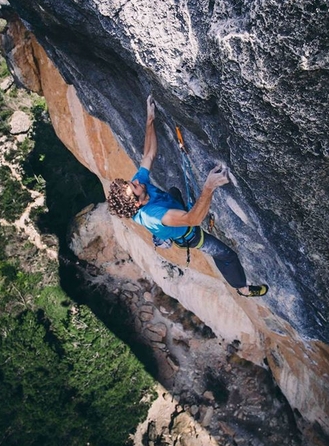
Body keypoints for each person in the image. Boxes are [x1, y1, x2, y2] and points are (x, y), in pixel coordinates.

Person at [107, 96, 268, 298]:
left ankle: (164, 235)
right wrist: (209, 186)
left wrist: (150, 119)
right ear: (137, 203)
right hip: (188, 233)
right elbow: (193, 219)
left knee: (174, 191)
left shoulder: (137, 192)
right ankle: (242, 288)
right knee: (226, 254)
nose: (137, 182)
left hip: (170, 210)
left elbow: (149, 155)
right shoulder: (156, 215)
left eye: (133, 183)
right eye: (134, 187)